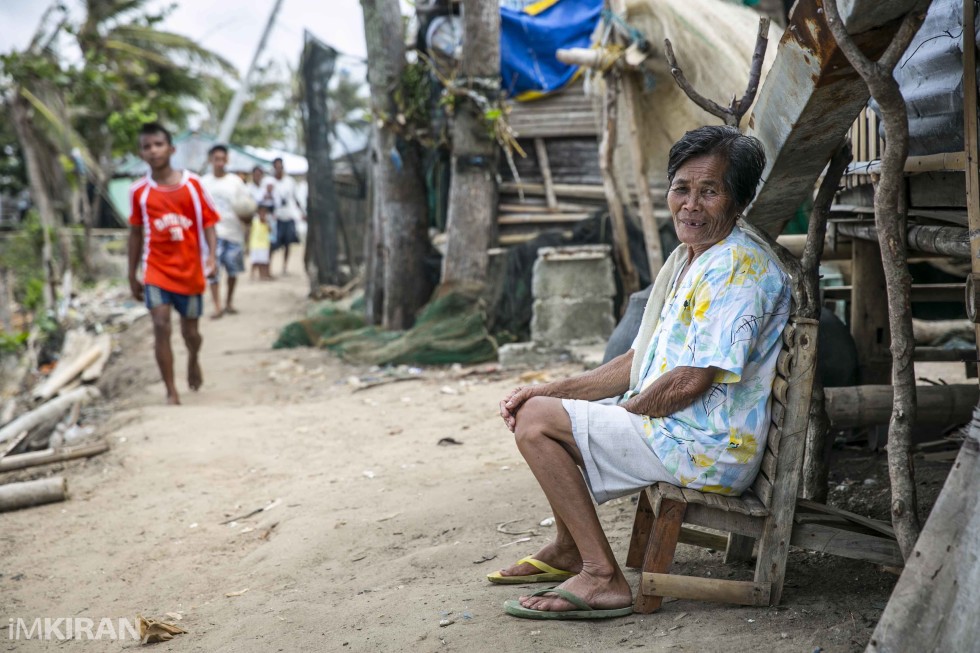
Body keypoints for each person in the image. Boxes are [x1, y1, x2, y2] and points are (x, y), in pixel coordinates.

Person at [493, 125, 791, 620]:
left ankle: (602, 577)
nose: (690, 204)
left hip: (707, 445)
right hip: (683, 429)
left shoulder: (737, 268)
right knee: (538, 408)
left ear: (737, 201)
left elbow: (689, 382)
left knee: (537, 423)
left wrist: (618, 416)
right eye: (682, 189)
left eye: (709, 191)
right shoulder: (694, 258)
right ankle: (570, 551)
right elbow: (639, 361)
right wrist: (549, 390)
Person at [128, 122, 218, 405]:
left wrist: (212, 256)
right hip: (157, 270)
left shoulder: (192, 185)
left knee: (191, 332)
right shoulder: (139, 192)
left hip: (189, 270)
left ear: (171, 148)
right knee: (160, 324)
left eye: (158, 144)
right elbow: (135, 233)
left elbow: (209, 223)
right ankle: (171, 390)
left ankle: (193, 358)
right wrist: (132, 273)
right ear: (141, 153)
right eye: (147, 147)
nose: (153, 151)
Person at [202, 144, 250, 318]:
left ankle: (229, 301)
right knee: (213, 272)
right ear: (210, 160)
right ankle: (217, 306)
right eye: (216, 159)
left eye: (223, 159)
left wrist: (247, 227)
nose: (220, 163)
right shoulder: (203, 183)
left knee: (232, 271)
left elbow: (246, 207)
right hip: (212, 235)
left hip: (233, 232)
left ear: (227, 160)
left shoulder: (235, 182)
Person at [268, 157, 304, 275]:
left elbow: (296, 198)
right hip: (275, 217)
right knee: (273, 243)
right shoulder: (269, 182)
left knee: (288, 243)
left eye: (281, 166)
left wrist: (302, 212)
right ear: (273, 168)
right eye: (276, 167)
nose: (279, 169)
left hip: (289, 216)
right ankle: (269, 267)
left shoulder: (290, 181)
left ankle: (284, 267)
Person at [250, 201, 274, 280]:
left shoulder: (267, 221)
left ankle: (263, 275)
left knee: (263, 261)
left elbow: (270, 230)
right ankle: (252, 275)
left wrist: (266, 222)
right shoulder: (254, 220)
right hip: (255, 243)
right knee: (255, 261)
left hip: (264, 244)